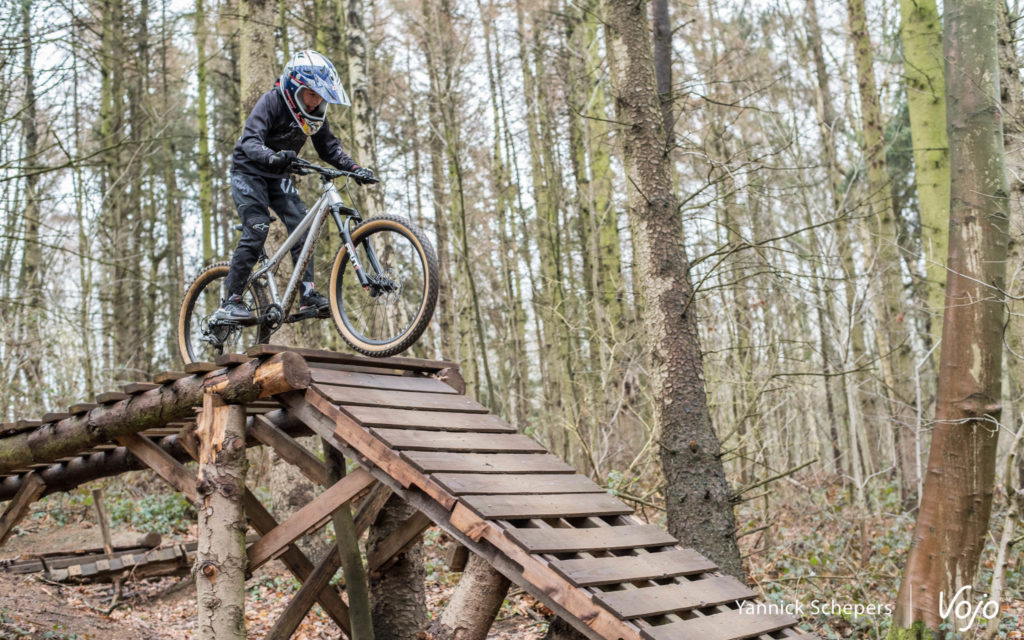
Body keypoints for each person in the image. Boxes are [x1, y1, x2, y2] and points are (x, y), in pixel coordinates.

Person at [214, 49, 376, 323]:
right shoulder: (272, 102)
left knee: (303, 228)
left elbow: (330, 149)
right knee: (257, 227)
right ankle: (231, 301)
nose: (315, 102)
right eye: (311, 94)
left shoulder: (314, 117)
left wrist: (355, 168)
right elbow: (250, 140)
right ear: (294, 88)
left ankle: (307, 294)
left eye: (320, 97)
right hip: (249, 172)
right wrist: (272, 156)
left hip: (278, 176)